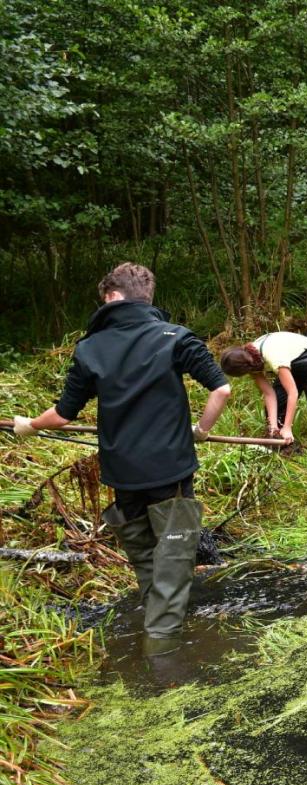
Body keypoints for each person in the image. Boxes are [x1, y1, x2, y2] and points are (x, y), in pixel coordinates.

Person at [10, 263, 231, 658]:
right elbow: (222, 389)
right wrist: (200, 428)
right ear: (145, 297)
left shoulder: (89, 349)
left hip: (122, 471)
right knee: (174, 558)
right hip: (170, 467)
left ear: (111, 297)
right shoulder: (175, 337)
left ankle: (156, 618)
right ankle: (162, 649)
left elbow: (62, 416)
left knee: (146, 556)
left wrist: (29, 425)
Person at [219, 332, 307, 462]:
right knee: (277, 407)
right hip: (294, 368)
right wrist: (273, 428)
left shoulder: (272, 355)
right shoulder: (250, 359)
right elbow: (269, 394)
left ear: (245, 366)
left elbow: (293, 392)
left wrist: (287, 427)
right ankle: (286, 450)